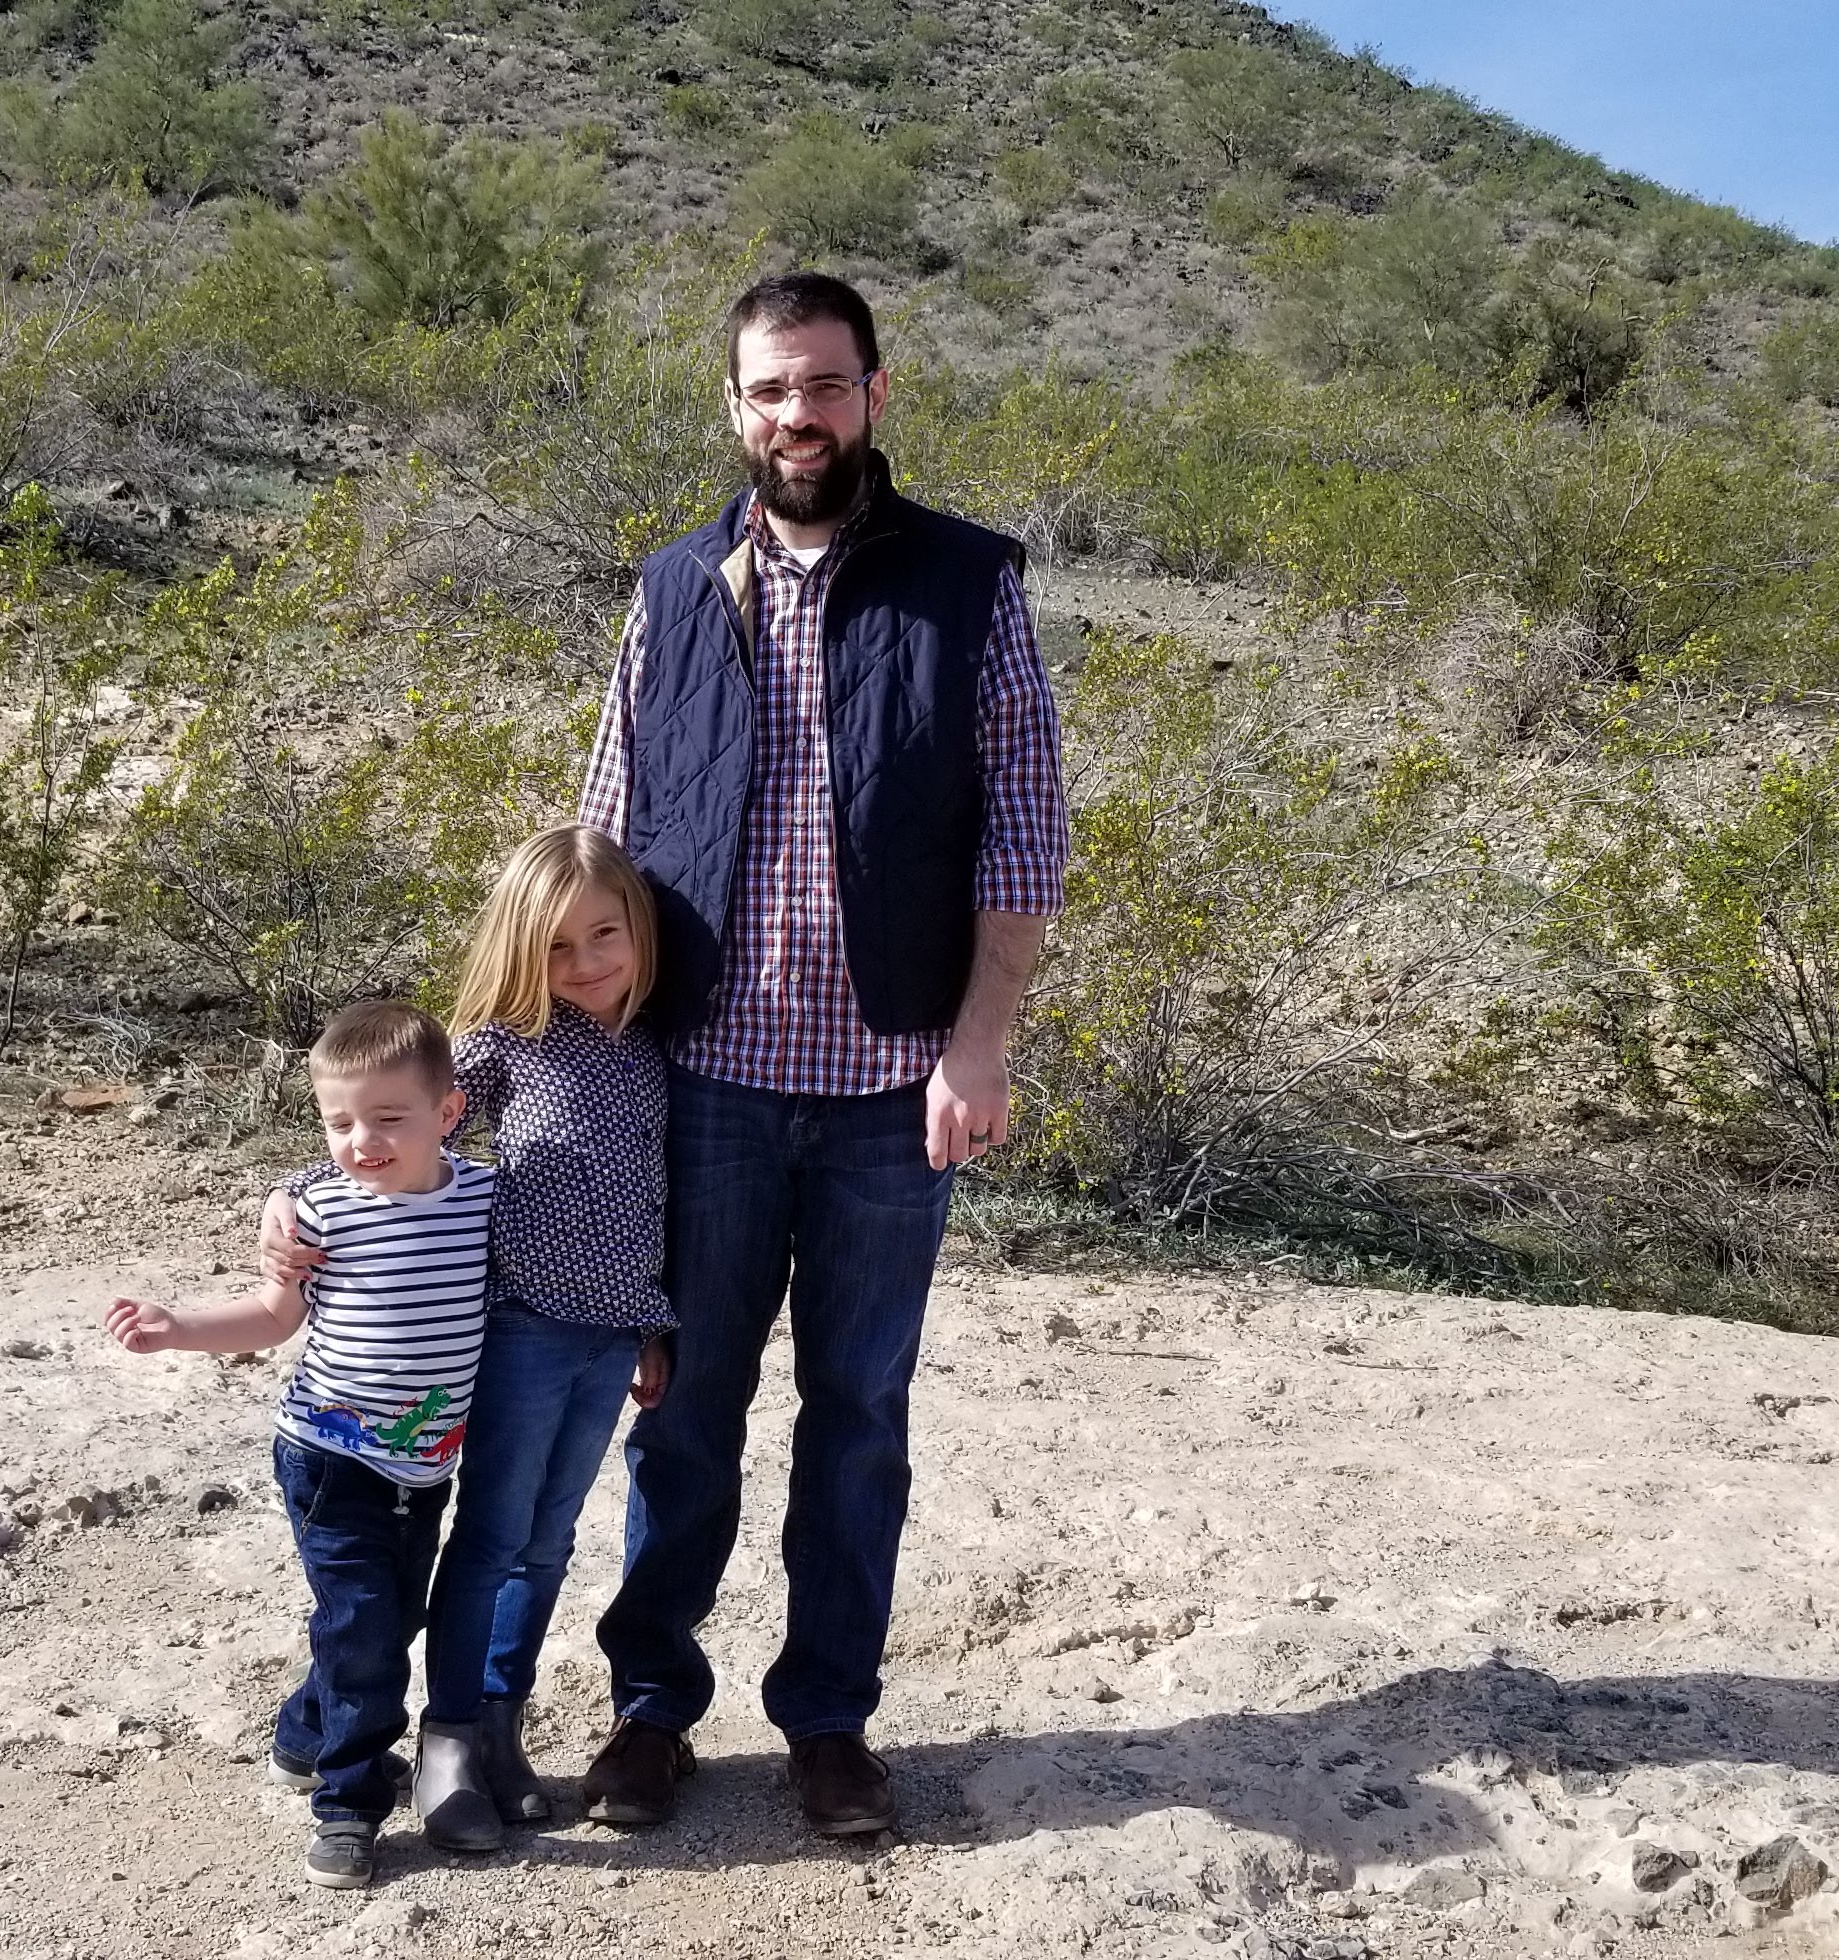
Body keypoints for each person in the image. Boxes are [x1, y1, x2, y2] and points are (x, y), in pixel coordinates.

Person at [573, 271, 1070, 1838]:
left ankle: (830, 1723)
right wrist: (559, 1071)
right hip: (704, 1081)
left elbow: (1026, 836)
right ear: (734, 404)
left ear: (874, 391)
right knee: (686, 1405)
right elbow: (599, 836)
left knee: (858, 1418)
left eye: (829, 385)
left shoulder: (968, 585)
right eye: (773, 390)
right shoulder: (670, 591)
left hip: (886, 1092)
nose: (802, 416)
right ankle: (651, 1707)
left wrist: (978, 1047)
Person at [260, 827, 682, 1856]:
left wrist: (653, 1324)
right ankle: (444, 1735)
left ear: (639, 931)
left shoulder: (658, 1050)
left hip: (610, 1340)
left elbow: (653, 1202)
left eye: (603, 935)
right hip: (520, 1334)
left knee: (548, 1542)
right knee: (491, 1539)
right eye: (555, 946)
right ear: (518, 950)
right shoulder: (501, 1044)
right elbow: (393, 1129)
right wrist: (291, 1190)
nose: (583, 963)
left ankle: (497, 1723)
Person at [102, 1001, 494, 1891]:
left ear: (448, 1112)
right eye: (339, 1122)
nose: (362, 1141)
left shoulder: (481, 1198)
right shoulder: (316, 1210)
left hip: (425, 1465)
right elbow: (274, 1317)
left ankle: (299, 1738)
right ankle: (349, 1804)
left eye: (389, 1119)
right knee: (364, 1632)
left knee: (386, 1622)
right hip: (330, 1458)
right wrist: (178, 1328)